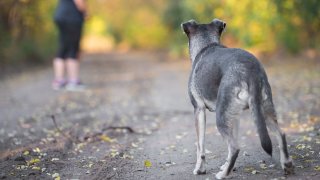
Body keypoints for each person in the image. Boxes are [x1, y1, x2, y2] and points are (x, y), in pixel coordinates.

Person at [52, 0, 87, 91]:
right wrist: (85, 12)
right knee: (73, 49)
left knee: (63, 48)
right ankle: (73, 81)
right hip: (72, 17)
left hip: (61, 15)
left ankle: (59, 80)